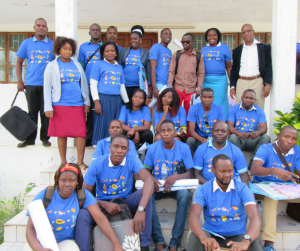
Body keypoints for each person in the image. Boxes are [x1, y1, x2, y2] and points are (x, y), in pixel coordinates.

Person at [76, 135, 154, 251]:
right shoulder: (97, 163)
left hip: (125, 202)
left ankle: (144, 246)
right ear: (110, 147)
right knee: (83, 214)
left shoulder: (132, 160)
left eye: (123, 148)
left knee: (145, 195)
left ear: (128, 150)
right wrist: (104, 204)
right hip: (102, 204)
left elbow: (149, 180)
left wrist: (140, 209)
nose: (119, 151)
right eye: (116, 147)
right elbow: (85, 194)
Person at [24, 163, 123, 251]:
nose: (67, 184)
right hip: (40, 242)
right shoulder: (45, 195)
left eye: (72, 180)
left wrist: (116, 242)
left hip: (65, 242)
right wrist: (38, 248)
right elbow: (30, 228)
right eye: (63, 180)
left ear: (78, 182)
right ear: (57, 180)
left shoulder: (83, 195)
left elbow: (100, 218)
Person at [187, 154, 262, 251]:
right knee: (195, 237)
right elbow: (193, 214)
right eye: (222, 171)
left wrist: (246, 241)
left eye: (230, 171)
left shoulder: (243, 189)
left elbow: (255, 216)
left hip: (238, 236)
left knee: (253, 240)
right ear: (213, 171)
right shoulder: (203, 189)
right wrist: (204, 238)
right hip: (211, 235)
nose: (227, 175)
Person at [144, 120, 194, 251]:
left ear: (175, 132)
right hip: (158, 187)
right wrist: (152, 178)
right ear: (159, 133)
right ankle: (159, 242)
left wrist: (175, 176)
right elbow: (146, 172)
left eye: (169, 130)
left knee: (185, 194)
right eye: (162, 131)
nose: (166, 134)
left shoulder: (184, 148)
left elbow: (190, 173)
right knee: (147, 196)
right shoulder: (153, 148)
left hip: (177, 187)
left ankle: (174, 243)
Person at [44, 37, 90, 170]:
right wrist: (48, 106)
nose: (68, 51)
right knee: (61, 133)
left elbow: (84, 84)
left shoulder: (77, 65)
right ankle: (63, 162)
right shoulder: (52, 66)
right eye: (65, 49)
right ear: (59, 49)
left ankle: (80, 162)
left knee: (81, 133)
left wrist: (86, 102)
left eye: (70, 49)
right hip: (59, 104)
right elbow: (47, 87)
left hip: (77, 104)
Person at [251, 126, 300, 251]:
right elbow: (254, 169)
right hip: (264, 186)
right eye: (286, 137)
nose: (290, 141)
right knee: (272, 198)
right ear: (278, 137)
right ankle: (269, 243)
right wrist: (273, 170)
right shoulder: (266, 148)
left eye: (294, 138)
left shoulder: (297, 150)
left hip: (286, 187)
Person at [15, 18, 55, 148]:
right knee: (32, 113)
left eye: (44, 26)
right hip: (31, 84)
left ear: (47, 29)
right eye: (39, 25)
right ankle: (29, 139)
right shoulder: (26, 43)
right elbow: (19, 62)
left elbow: (57, 64)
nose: (41, 28)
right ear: (34, 28)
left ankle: (45, 138)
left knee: (45, 113)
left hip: (47, 85)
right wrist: (20, 81)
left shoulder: (52, 45)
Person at [90, 41, 125, 144]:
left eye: (112, 51)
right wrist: (96, 101)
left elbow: (122, 86)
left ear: (116, 52)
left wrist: (127, 103)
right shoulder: (98, 64)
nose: (110, 53)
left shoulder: (119, 67)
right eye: (107, 51)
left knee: (115, 126)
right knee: (102, 124)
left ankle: (114, 146)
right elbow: (93, 84)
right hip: (103, 99)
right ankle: (98, 147)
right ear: (103, 52)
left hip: (116, 101)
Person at [194, 121, 250, 185]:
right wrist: (210, 187)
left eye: (223, 131)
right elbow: (196, 174)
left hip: (229, 187)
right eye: (217, 131)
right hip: (206, 186)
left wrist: (246, 192)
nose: (220, 133)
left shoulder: (235, 150)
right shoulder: (201, 149)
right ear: (212, 133)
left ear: (228, 134)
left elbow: (244, 176)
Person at [230, 24, 272, 108]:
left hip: (257, 81)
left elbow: (268, 66)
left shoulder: (263, 47)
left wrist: (268, 84)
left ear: (253, 32)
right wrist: (232, 86)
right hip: (241, 81)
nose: (246, 33)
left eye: (248, 31)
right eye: (243, 32)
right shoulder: (237, 50)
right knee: (239, 107)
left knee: (258, 106)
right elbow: (234, 69)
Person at [227, 89, 271, 168]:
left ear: (254, 100)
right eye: (246, 97)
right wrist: (239, 133)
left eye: (251, 98)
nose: (248, 100)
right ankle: (239, 163)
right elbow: (229, 127)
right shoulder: (233, 109)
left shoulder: (259, 110)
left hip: (252, 139)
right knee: (232, 137)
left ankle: (254, 164)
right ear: (242, 98)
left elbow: (264, 128)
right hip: (238, 139)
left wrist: (257, 133)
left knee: (266, 137)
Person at [167, 33, 205, 116]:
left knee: (190, 113)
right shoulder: (177, 54)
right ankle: (176, 128)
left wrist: (199, 88)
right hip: (178, 88)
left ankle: (188, 129)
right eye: (183, 42)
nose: (184, 44)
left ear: (192, 42)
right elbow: (171, 71)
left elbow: (201, 73)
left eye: (187, 42)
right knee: (175, 111)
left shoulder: (198, 56)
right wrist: (170, 85)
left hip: (191, 89)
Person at [78, 23, 102, 147]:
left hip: (101, 85)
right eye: (93, 30)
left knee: (98, 111)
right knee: (88, 112)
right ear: (89, 33)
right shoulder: (83, 47)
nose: (95, 32)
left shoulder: (105, 47)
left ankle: (98, 136)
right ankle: (87, 137)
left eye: (98, 30)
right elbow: (81, 66)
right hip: (87, 84)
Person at [201, 28, 232, 117]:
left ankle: (222, 124)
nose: (212, 37)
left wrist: (232, 84)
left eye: (214, 35)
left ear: (218, 36)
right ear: (206, 37)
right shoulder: (204, 49)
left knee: (220, 102)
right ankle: (208, 123)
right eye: (209, 35)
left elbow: (229, 67)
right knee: (207, 102)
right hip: (205, 81)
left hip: (220, 81)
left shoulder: (225, 48)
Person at [187, 88, 225, 156]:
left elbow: (221, 128)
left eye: (210, 97)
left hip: (215, 138)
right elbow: (191, 130)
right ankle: (191, 164)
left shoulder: (219, 108)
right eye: (204, 97)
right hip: (199, 138)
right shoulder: (194, 108)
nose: (207, 100)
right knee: (190, 140)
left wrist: (213, 140)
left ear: (213, 98)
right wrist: (202, 139)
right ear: (201, 98)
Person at [119, 25, 151, 99]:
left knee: (137, 107)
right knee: (126, 106)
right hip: (125, 86)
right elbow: (119, 65)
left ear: (140, 39)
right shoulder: (124, 51)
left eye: (135, 39)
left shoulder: (145, 53)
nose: (132, 41)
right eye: (131, 39)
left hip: (139, 86)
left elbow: (148, 70)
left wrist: (150, 86)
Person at [149, 28, 172, 126]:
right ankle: (156, 132)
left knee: (166, 109)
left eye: (170, 34)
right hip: (159, 84)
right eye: (165, 34)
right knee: (158, 110)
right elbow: (152, 69)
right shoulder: (156, 47)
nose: (168, 36)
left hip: (167, 85)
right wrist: (154, 88)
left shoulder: (169, 51)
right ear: (160, 36)